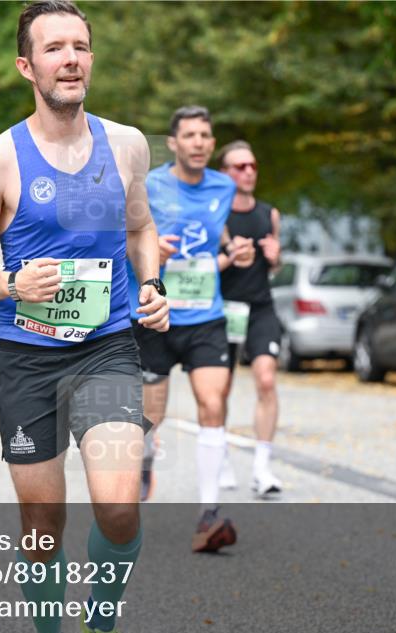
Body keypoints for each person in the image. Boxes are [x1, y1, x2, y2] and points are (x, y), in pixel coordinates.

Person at [0, 2, 168, 633]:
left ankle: (101, 622)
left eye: (81, 46)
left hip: (106, 349)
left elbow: (140, 229)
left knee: (119, 504)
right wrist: (12, 284)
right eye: (54, 48)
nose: (70, 58)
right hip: (26, 360)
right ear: (27, 65)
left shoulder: (126, 144)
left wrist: (153, 285)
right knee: (43, 524)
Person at [127, 106, 253, 553]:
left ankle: (208, 512)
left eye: (206, 135)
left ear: (212, 144)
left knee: (212, 401)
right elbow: (129, 233)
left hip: (206, 319)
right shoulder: (152, 185)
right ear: (175, 143)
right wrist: (150, 247)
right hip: (157, 315)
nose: (199, 142)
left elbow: (218, 233)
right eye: (190, 135)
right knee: (148, 419)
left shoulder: (224, 186)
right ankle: (142, 465)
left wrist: (235, 249)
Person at [218, 140, 284, 498]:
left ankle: (262, 466)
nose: (248, 172)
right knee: (220, 389)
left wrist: (276, 258)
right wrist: (230, 255)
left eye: (252, 166)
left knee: (266, 379)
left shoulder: (269, 214)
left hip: (260, 307)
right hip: (224, 309)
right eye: (239, 166)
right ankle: (222, 455)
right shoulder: (215, 214)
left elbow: (275, 263)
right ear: (224, 173)